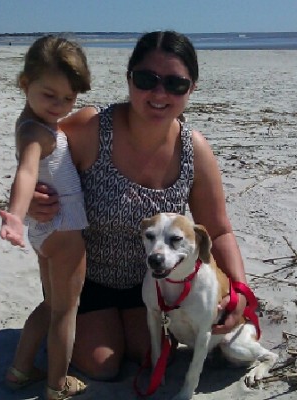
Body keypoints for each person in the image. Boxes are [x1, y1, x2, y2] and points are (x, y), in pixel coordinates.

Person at [26, 30, 250, 381]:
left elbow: (219, 229)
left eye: (176, 84)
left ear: (191, 89)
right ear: (129, 78)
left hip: (154, 283)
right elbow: (34, 148)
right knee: (104, 364)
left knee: (148, 352)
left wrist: (239, 293)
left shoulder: (195, 150)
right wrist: (31, 200)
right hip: (84, 278)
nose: (160, 94)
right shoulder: (89, 128)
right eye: (147, 79)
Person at [0, 35, 91, 399]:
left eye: (69, 99)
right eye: (49, 95)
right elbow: (25, 172)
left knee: (51, 304)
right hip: (65, 231)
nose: (59, 106)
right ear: (25, 83)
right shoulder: (37, 133)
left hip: (45, 231)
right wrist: (15, 217)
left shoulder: (29, 120)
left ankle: (20, 370)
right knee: (66, 312)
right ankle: (57, 384)